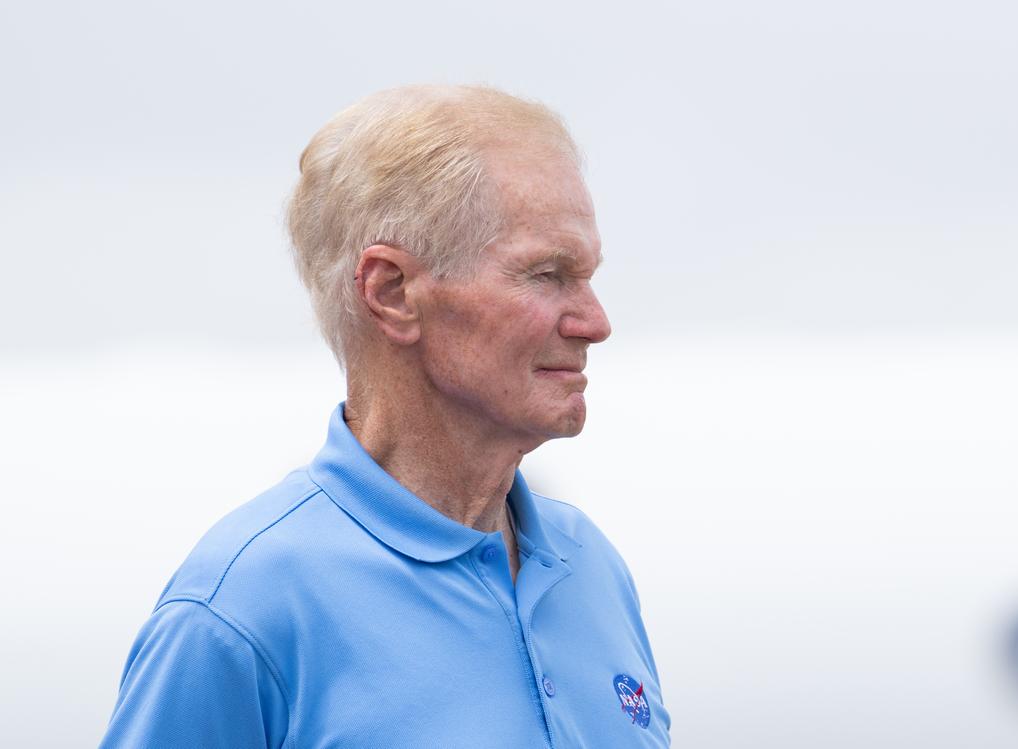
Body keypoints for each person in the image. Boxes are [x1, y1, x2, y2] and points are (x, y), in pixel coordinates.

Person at [100, 84, 671, 748]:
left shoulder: (590, 566)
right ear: (392, 292)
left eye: (588, 276)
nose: (595, 323)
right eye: (547, 274)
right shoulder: (240, 610)